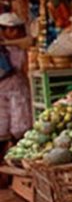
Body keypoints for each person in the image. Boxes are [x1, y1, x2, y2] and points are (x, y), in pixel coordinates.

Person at [0, 12, 33, 147]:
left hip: (17, 88)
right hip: (4, 88)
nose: (16, 32)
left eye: (16, 29)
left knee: (20, 125)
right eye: (11, 30)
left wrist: (6, 42)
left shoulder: (15, 45)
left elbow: (30, 41)